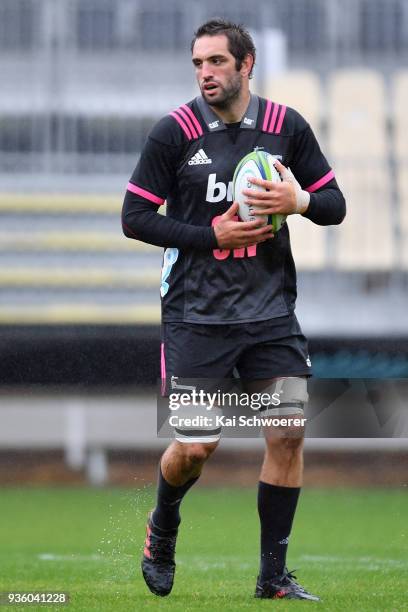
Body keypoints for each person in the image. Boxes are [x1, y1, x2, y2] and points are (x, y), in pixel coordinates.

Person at [122, 18, 345, 601]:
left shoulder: (284, 127)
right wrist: (209, 235)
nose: (205, 74)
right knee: (197, 446)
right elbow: (134, 217)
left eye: (216, 62)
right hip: (197, 313)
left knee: (288, 433)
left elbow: (335, 205)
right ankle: (163, 525)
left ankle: (272, 578)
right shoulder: (174, 131)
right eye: (198, 64)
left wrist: (299, 199)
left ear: (246, 65)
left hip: (270, 310)